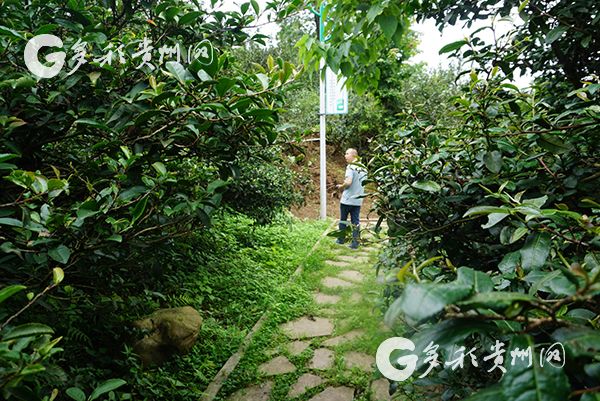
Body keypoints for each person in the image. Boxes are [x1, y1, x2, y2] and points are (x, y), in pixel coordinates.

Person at [335, 148, 367, 249]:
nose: (345, 156)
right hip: (358, 200)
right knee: (355, 221)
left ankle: (341, 239)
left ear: (354, 156)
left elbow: (348, 182)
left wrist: (341, 186)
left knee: (343, 220)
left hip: (347, 200)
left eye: (347, 153)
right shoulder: (363, 168)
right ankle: (355, 243)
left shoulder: (351, 167)